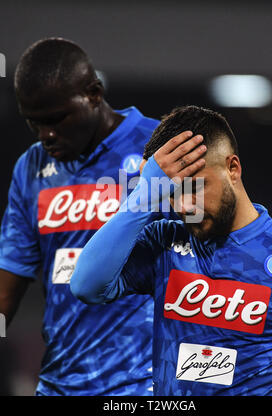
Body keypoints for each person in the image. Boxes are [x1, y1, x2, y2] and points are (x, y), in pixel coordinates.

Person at [71, 105, 272, 396]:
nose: (184, 206)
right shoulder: (164, 243)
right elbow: (86, 286)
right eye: (173, 192)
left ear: (233, 168)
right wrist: (143, 195)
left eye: (195, 187)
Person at [0, 37, 160, 396]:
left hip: (147, 387)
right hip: (60, 385)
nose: (47, 135)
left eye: (56, 119)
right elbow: (7, 286)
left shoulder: (160, 148)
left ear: (93, 93)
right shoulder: (32, 167)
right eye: (34, 123)